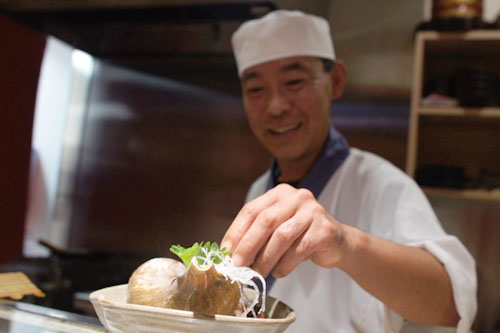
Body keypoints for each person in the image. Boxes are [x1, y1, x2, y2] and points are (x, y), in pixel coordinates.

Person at [221, 9, 477, 332]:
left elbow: (453, 303)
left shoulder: (382, 185)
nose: (275, 106)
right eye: (256, 89)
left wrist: (345, 242)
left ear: (336, 81)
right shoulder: (260, 191)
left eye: (294, 81)